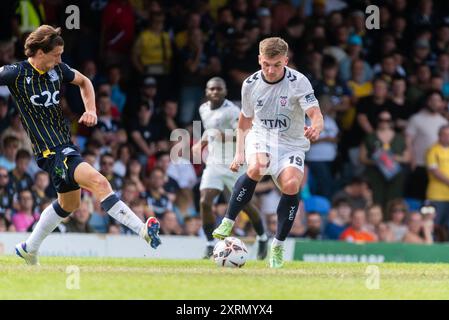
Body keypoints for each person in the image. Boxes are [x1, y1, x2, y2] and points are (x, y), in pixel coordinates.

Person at [0, 25, 161, 265]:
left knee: (70, 203)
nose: (60, 60)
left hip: (64, 146)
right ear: (40, 52)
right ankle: (143, 231)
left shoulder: (58, 71)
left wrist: (91, 110)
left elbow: (85, 81)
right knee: (99, 181)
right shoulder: (16, 72)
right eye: (56, 55)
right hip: (50, 151)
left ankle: (29, 248)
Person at [212, 37, 323, 268]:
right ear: (259, 60)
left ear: (286, 61)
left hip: (292, 142)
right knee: (256, 166)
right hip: (262, 136)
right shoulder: (250, 84)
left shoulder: (298, 82)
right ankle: (227, 221)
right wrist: (239, 153)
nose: (271, 71)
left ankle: (278, 245)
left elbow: (315, 114)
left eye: (277, 65)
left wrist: (316, 128)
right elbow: (244, 122)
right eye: (266, 65)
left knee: (292, 185)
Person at [192, 77, 268, 259]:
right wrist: (201, 143)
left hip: (235, 164)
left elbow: (244, 132)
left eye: (219, 89)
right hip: (214, 163)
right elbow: (210, 131)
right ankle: (210, 244)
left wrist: (225, 136)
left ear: (225, 91)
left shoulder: (232, 111)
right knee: (204, 201)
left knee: (246, 205)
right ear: (207, 91)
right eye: (212, 89)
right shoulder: (203, 109)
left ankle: (263, 237)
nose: (215, 92)